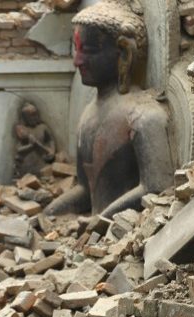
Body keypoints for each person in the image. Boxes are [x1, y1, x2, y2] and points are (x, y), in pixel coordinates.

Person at [43, 0, 175, 218]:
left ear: (124, 53)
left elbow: (156, 188)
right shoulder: (87, 115)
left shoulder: (145, 116)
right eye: (77, 50)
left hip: (126, 234)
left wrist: (101, 220)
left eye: (89, 51)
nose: (77, 61)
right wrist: (49, 214)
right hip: (96, 236)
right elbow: (86, 191)